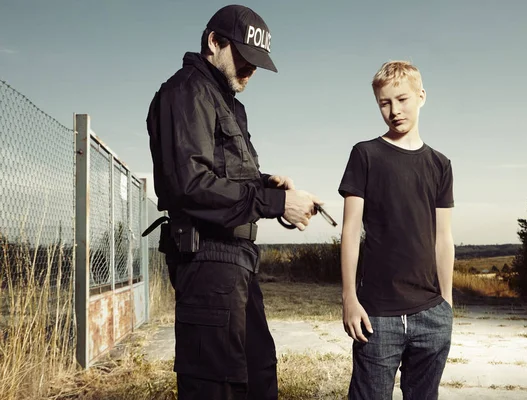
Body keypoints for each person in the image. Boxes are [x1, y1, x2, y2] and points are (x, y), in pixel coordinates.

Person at [146, 5, 321, 399]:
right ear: (214, 42)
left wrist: (270, 185)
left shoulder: (224, 101)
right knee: (219, 385)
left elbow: (224, 174)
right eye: (244, 56)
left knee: (258, 374)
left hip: (237, 260)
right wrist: (275, 203)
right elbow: (189, 185)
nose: (251, 69)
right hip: (207, 262)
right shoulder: (185, 92)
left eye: (257, 62)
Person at [338, 60, 455, 400]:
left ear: (421, 96)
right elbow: (350, 231)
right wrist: (349, 298)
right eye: (384, 103)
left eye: (402, 100)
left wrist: (446, 303)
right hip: (376, 315)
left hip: (431, 314)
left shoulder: (440, 164)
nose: (394, 111)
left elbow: (443, 238)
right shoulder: (365, 154)